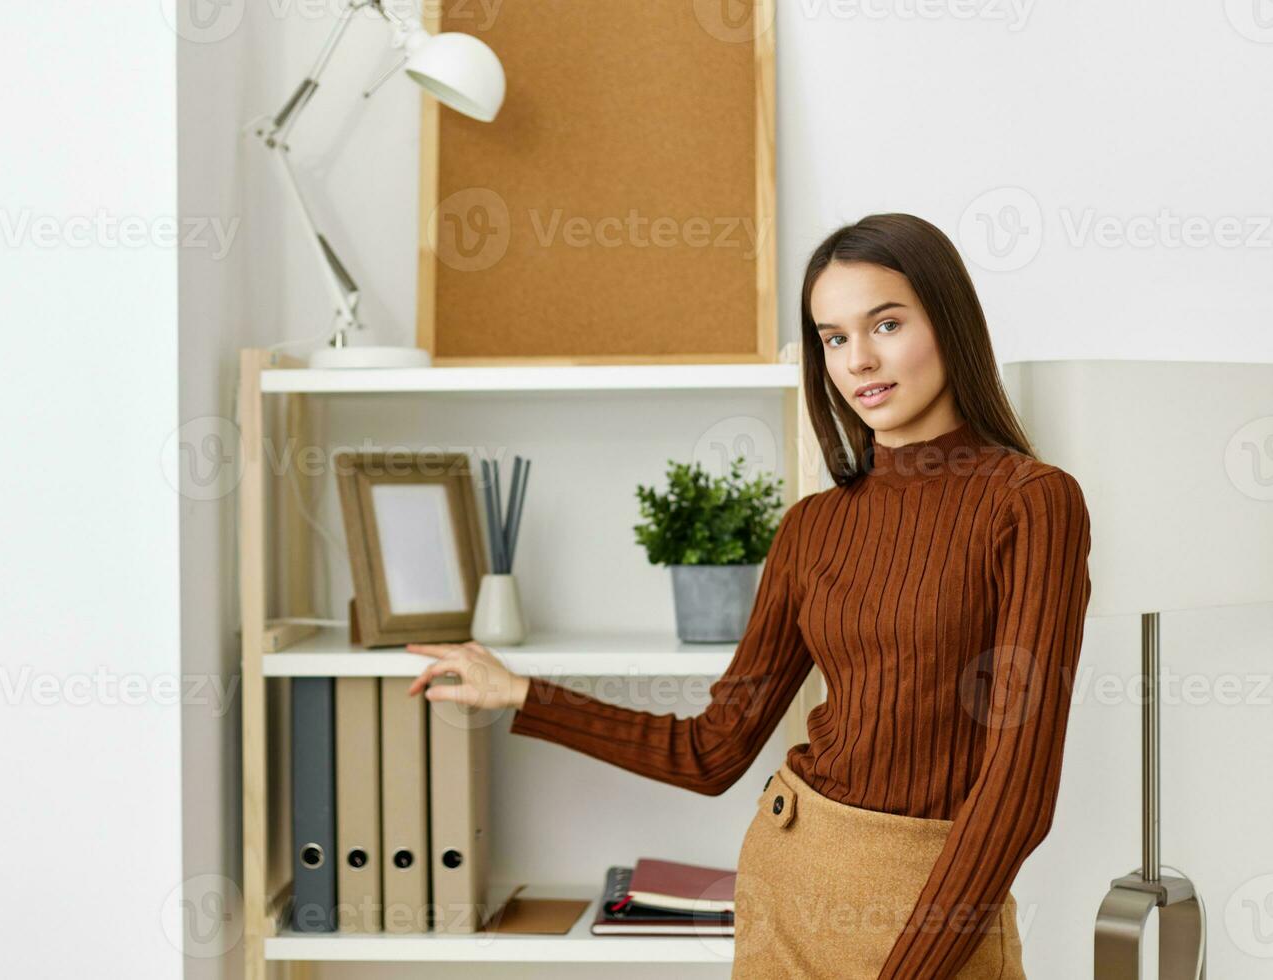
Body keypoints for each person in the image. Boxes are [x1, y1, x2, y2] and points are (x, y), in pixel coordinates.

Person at [405, 212, 1092, 979]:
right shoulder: (813, 527)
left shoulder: (1031, 502)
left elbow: (1017, 792)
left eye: (886, 324)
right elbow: (714, 751)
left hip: (929, 919)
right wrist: (521, 694)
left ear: (949, 320)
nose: (859, 359)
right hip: (787, 890)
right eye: (833, 338)